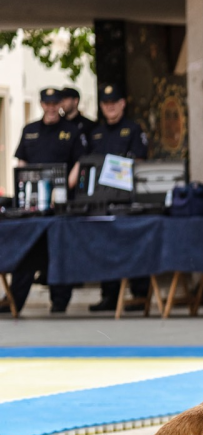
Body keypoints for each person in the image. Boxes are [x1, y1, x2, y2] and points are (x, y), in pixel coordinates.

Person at [9, 87, 87, 314]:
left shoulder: (71, 131)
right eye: (47, 103)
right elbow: (21, 163)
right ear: (41, 104)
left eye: (55, 103)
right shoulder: (30, 130)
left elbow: (79, 164)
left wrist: (63, 189)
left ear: (60, 104)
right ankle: (14, 301)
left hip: (60, 204)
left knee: (59, 252)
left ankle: (59, 302)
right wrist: (22, 192)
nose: (51, 107)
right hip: (33, 205)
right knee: (26, 251)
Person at [90, 83, 152, 313]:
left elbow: (141, 161)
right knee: (106, 248)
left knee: (133, 245)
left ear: (123, 104)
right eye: (106, 104)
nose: (110, 107)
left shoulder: (133, 129)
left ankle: (138, 295)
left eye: (114, 103)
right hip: (103, 200)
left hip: (129, 199)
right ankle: (109, 295)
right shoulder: (96, 133)